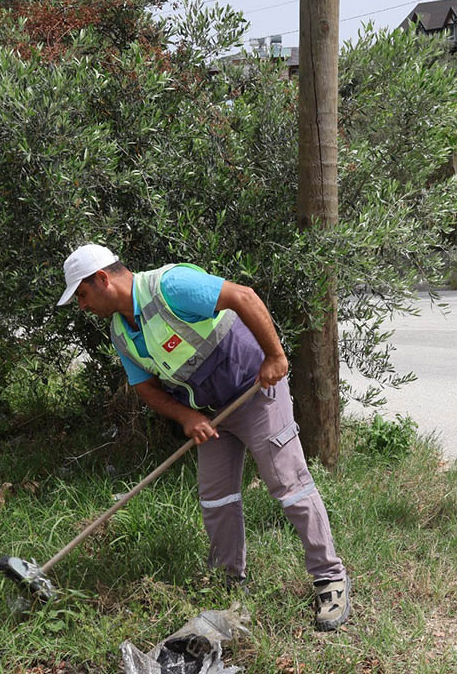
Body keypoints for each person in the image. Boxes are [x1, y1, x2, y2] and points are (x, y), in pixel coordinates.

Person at [57, 243, 350, 631]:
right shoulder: (121, 333)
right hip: (211, 414)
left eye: (82, 294)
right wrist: (187, 417)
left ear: (101, 279)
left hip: (255, 390)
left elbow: (242, 296)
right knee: (216, 499)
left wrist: (275, 356)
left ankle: (330, 579)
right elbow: (144, 387)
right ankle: (227, 586)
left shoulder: (170, 286)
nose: (82, 305)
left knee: (289, 484)